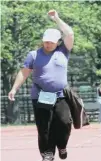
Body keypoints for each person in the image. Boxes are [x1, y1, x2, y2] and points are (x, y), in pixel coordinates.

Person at [8, 10, 74, 161]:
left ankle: (62, 146)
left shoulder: (64, 51)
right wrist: (14, 88)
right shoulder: (34, 55)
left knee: (64, 123)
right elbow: (24, 73)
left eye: (51, 41)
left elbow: (69, 34)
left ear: (58, 41)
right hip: (40, 95)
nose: (48, 44)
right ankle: (47, 153)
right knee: (44, 127)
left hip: (61, 95)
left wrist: (56, 19)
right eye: (46, 41)